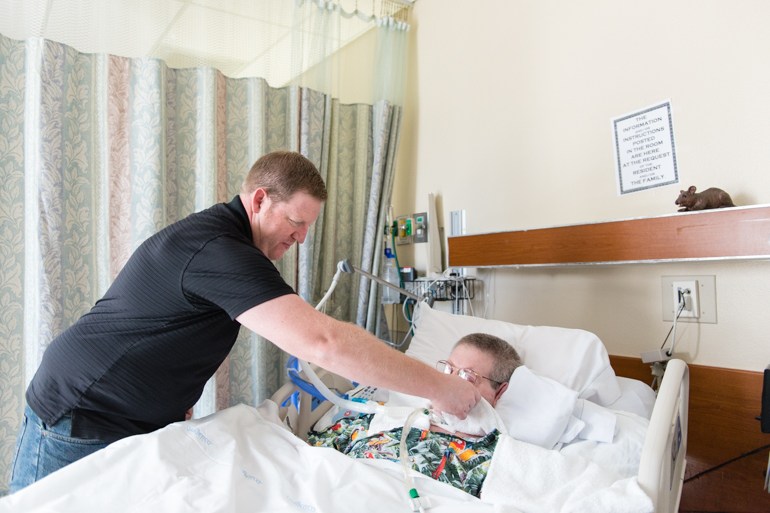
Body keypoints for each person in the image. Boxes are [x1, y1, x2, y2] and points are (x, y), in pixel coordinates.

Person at [8, 150, 480, 493]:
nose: (301, 237)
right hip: (80, 415)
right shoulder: (220, 250)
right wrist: (443, 389)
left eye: (308, 227)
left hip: (121, 412)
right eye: (296, 222)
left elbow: (170, 324)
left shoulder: (221, 240)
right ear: (259, 200)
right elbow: (323, 342)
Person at [307, 332, 522, 497]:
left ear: (500, 392)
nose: (450, 382)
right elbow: (313, 459)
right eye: (449, 370)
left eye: (467, 376)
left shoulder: (501, 458)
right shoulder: (389, 416)